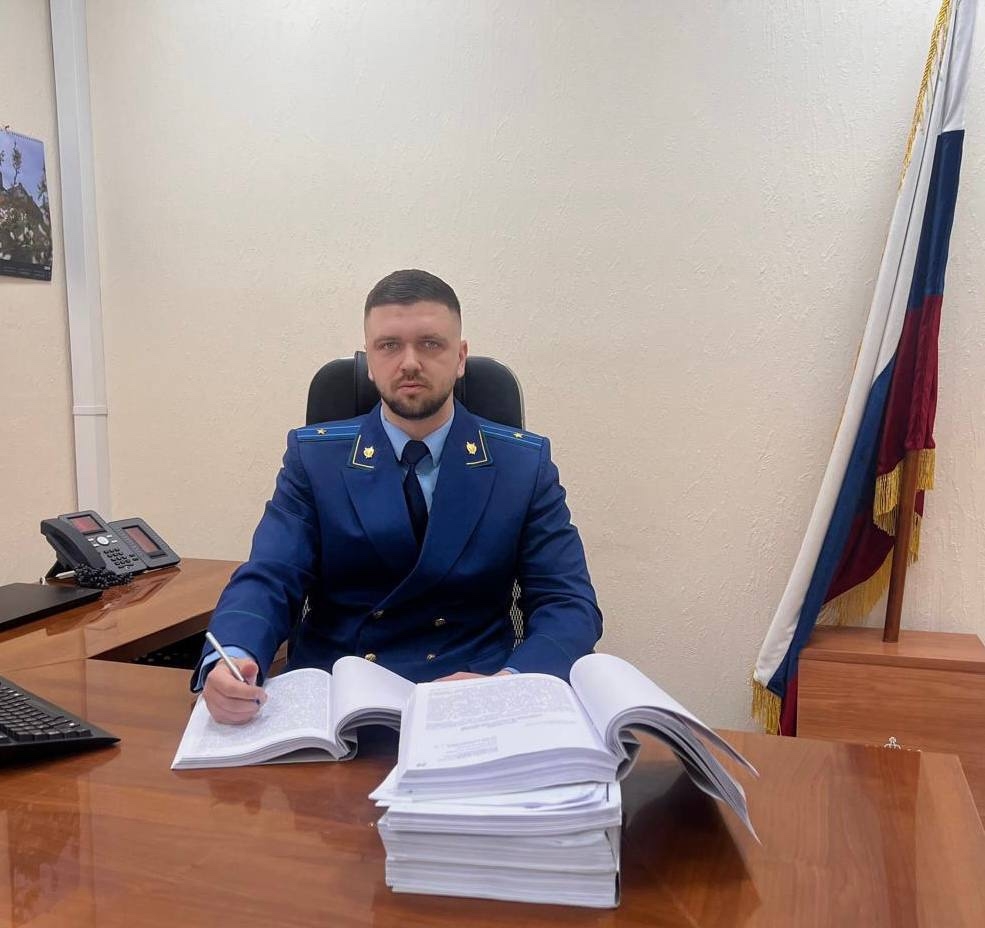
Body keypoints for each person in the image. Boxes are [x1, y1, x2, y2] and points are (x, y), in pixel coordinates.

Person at [195, 269, 602, 723]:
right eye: (389, 345)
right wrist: (232, 656)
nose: (409, 362)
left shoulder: (522, 464)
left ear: (460, 357)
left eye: (430, 344)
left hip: (474, 696)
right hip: (338, 697)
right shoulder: (315, 459)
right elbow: (271, 576)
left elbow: (567, 602)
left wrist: (508, 683)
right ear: (370, 361)